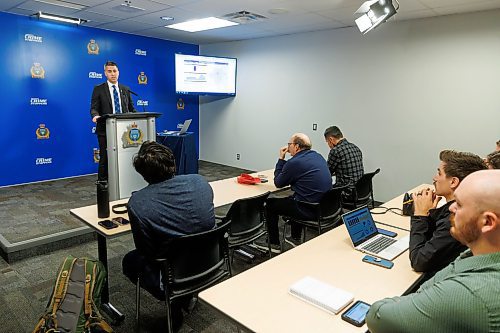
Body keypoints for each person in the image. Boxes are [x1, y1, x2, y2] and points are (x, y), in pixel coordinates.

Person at [366, 170, 500, 333]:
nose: (451, 207)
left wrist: (420, 214)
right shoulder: (481, 256)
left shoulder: (470, 293)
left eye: (459, 204)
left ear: (487, 222)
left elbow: (376, 316)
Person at [122, 141, 215, 330]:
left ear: (142, 173)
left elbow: (147, 252)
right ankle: (187, 295)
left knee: (129, 261)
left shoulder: (137, 203)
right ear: (173, 163)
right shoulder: (200, 182)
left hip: (174, 276)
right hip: (212, 263)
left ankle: (176, 301)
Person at [409, 150, 486, 272]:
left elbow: (419, 261)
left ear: (453, 182)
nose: (434, 178)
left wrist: (420, 215)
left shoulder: (455, 219)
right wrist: (430, 213)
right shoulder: (471, 207)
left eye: (439, 173)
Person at [255, 133, 332, 253]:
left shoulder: (295, 162)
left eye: (289, 144)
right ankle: (295, 237)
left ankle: (273, 243)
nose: (288, 147)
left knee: (270, 204)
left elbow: (278, 182)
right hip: (324, 206)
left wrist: (281, 158)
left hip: (308, 209)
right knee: (296, 196)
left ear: (296, 147)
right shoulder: (318, 156)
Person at [90, 60, 136, 181]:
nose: (112, 74)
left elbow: (131, 109)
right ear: (105, 73)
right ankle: (103, 184)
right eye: (109, 71)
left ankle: (124, 180)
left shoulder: (125, 89)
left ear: (118, 72)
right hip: (105, 130)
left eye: (114, 71)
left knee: (125, 157)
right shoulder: (98, 89)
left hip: (124, 130)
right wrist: (95, 116)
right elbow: (94, 108)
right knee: (105, 158)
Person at [323, 126, 364, 197]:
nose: (328, 145)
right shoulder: (355, 147)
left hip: (346, 192)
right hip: (360, 190)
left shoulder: (336, 151)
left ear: (331, 139)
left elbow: (327, 173)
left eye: (327, 142)